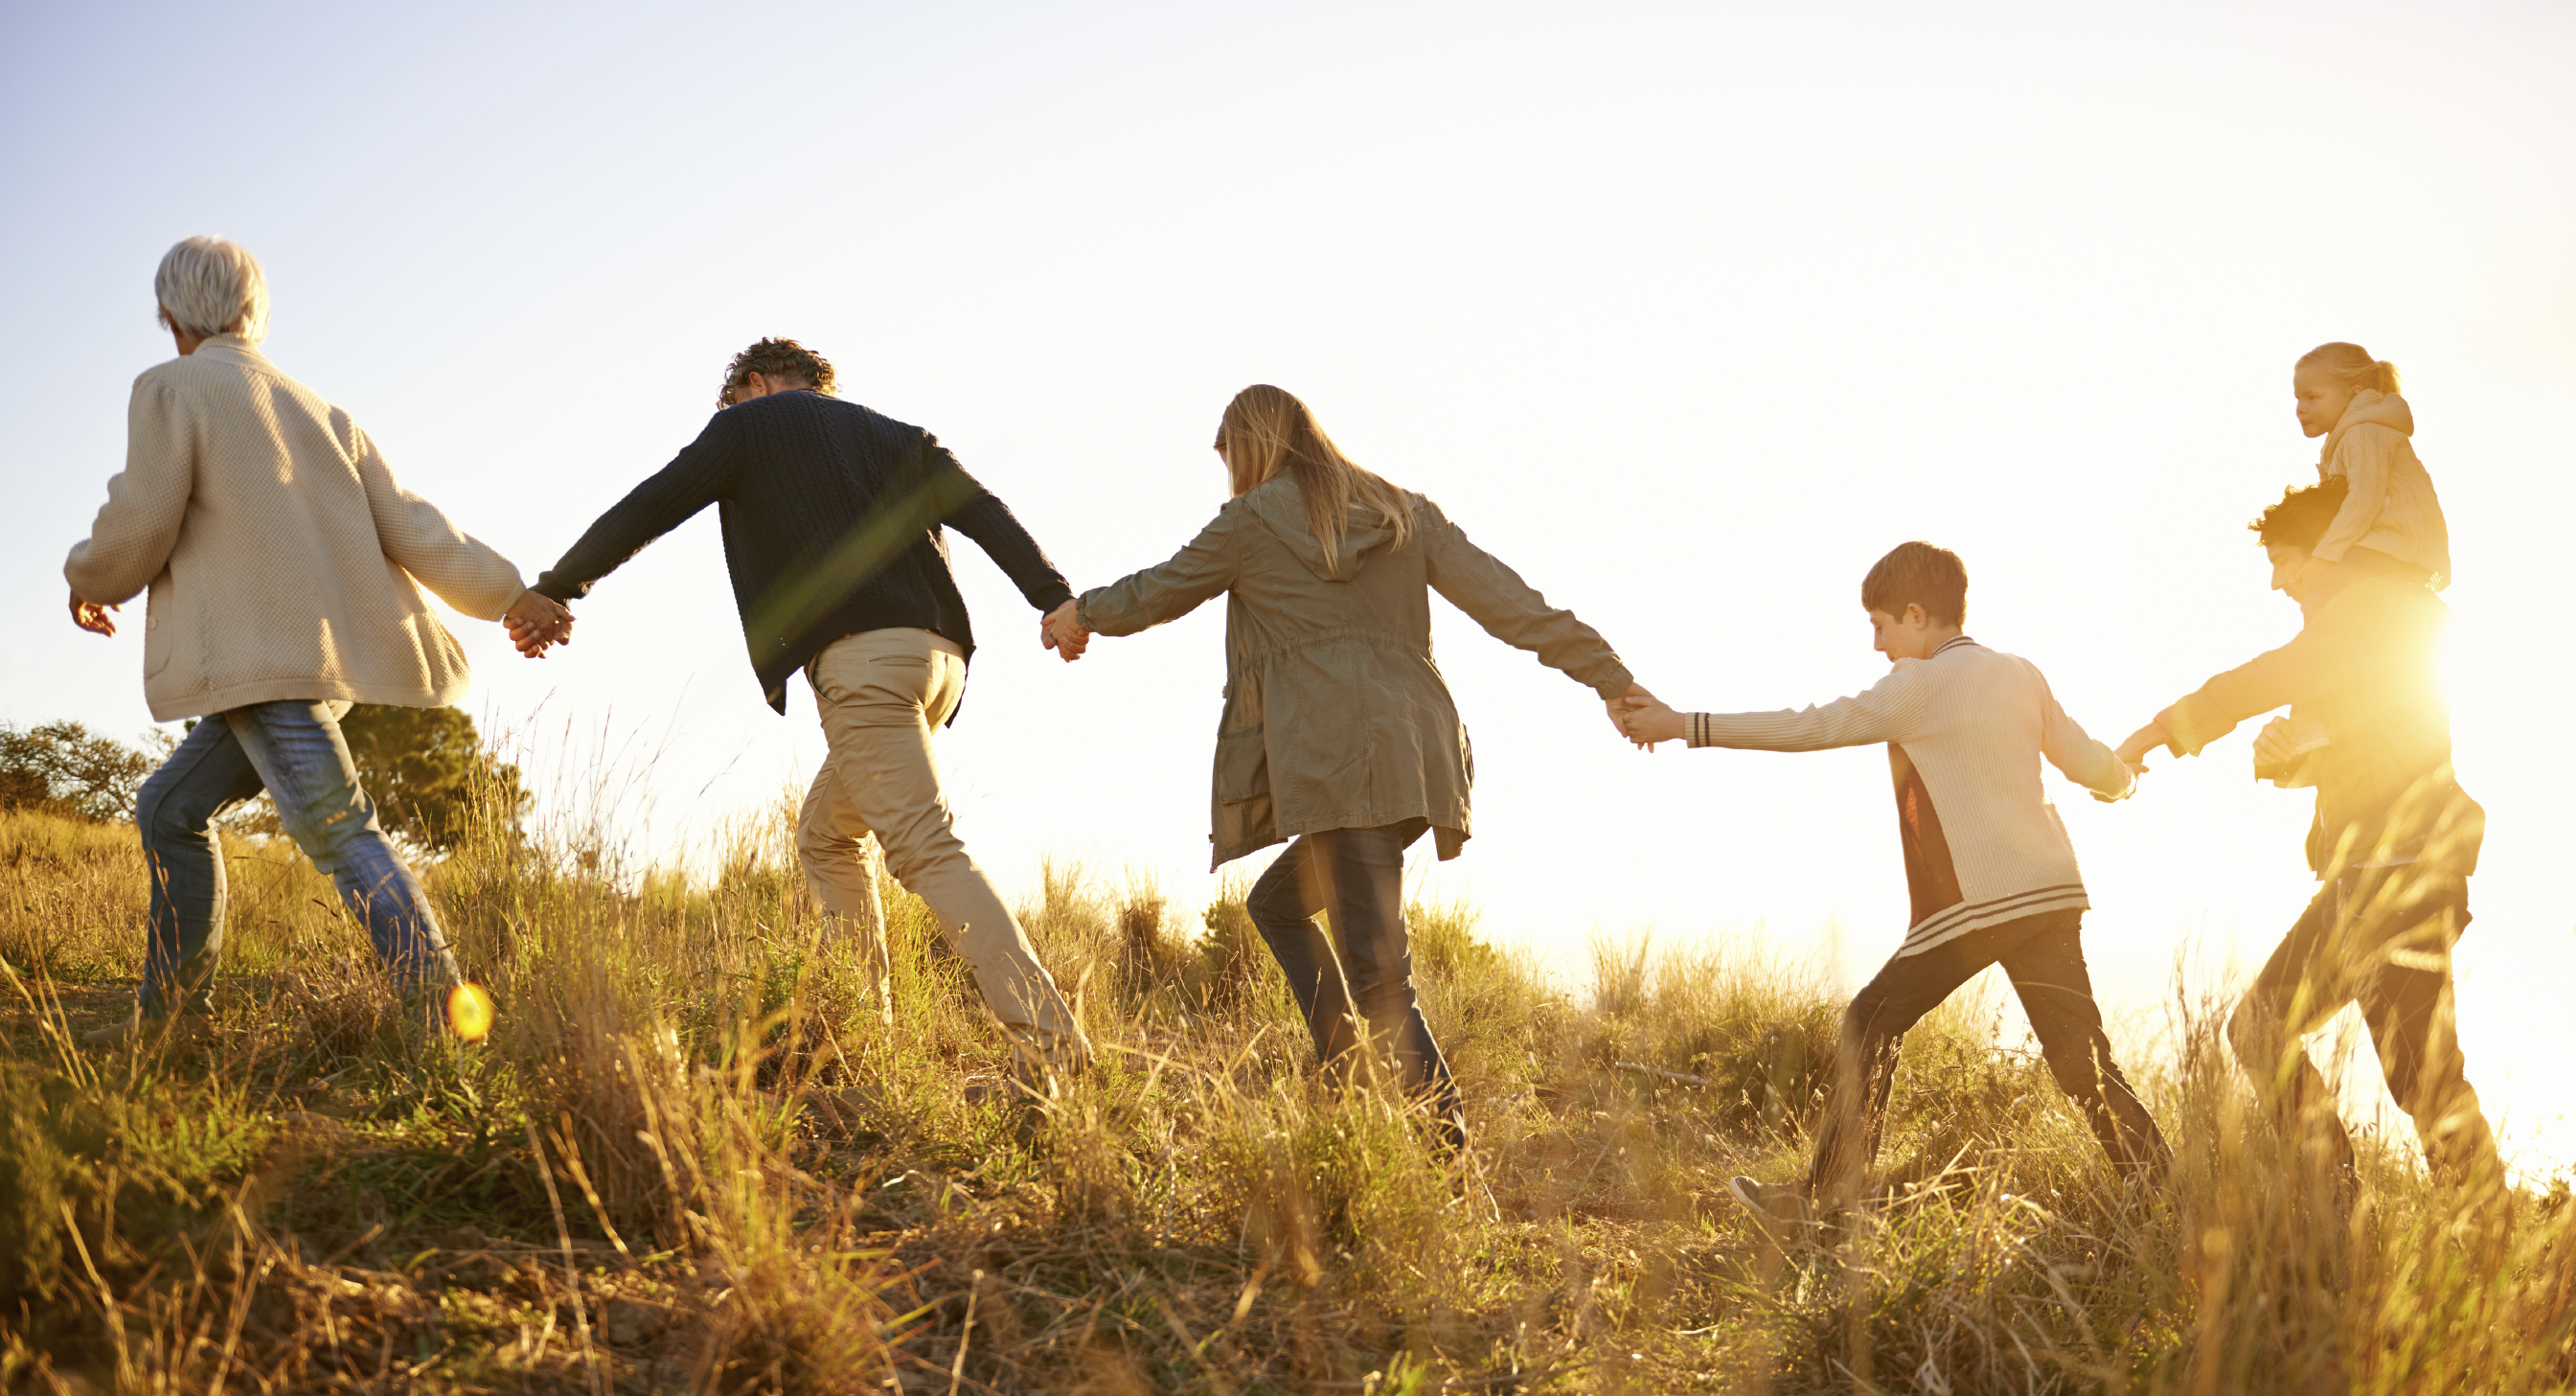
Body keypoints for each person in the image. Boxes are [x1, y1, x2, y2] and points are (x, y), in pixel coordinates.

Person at [1045, 384, 1643, 1151]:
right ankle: (1347, 1084)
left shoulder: (1250, 523)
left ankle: (1449, 1166)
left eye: (1228, 456)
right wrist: (1608, 673)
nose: (1227, 474)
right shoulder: (1403, 511)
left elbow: (1158, 590)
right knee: (1280, 908)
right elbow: (1510, 602)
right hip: (1415, 755)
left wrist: (1079, 613)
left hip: (1335, 758)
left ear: (1250, 447)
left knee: (1382, 978)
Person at [517, 337, 1089, 1089]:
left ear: (754, 384)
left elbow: (653, 503)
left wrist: (560, 586)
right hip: (940, 660)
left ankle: (1056, 1049)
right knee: (825, 836)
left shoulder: (748, 426)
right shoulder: (895, 435)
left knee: (923, 848)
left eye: (732, 401)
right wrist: (1052, 597)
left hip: (864, 662)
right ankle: (864, 1039)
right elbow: (983, 511)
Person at [64, 236, 546, 1041]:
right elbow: (416, 525)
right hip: (314, 665)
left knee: (339, 831)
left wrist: (89, 576)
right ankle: (175, 1017)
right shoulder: (319, 409)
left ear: (173, 315)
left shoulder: (172, 386)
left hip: (259, 663)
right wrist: (511, 594)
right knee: (169, 806)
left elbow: (140, 517)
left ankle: (441, 1019)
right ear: (253, 311)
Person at [1618, 541, 2168, 1216]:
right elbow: (2091, 765)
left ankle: (1825, 1202)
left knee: (1868, 1022)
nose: (1878, 645)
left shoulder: (1919, 686)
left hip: (1980, 905)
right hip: (2050, 893)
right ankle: (2166, 1193)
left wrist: (1684, 725)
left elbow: (1811, 726)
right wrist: (2127, 777)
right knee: (2082, 1062)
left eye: (1881, 625)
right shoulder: (2021, 672)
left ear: (1916, 613)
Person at [2118, 476, 2495, 1185]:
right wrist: (2289, 759)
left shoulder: (2370, 609)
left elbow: (2272, 675)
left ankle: (2490, 1242)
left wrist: (2168, 729)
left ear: (2333, 546)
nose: (2277, 581)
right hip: (2365, 876)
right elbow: (2375, 745)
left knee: (2424, 1081)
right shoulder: (2358, 631)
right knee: (2263, 1028)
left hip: (2402, 875)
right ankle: (2335, 1192)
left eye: (2286, 559)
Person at [2288, 342, 2451, 591]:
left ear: (2354, 394)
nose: (2301, 408)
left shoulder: (2363, 434)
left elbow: (2364, 499)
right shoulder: (2343, 440)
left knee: (2324, 596)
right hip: (2384, 546)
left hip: (2394, 545)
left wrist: (2322, 558)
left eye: (2312, 397)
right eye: (2298, 398)